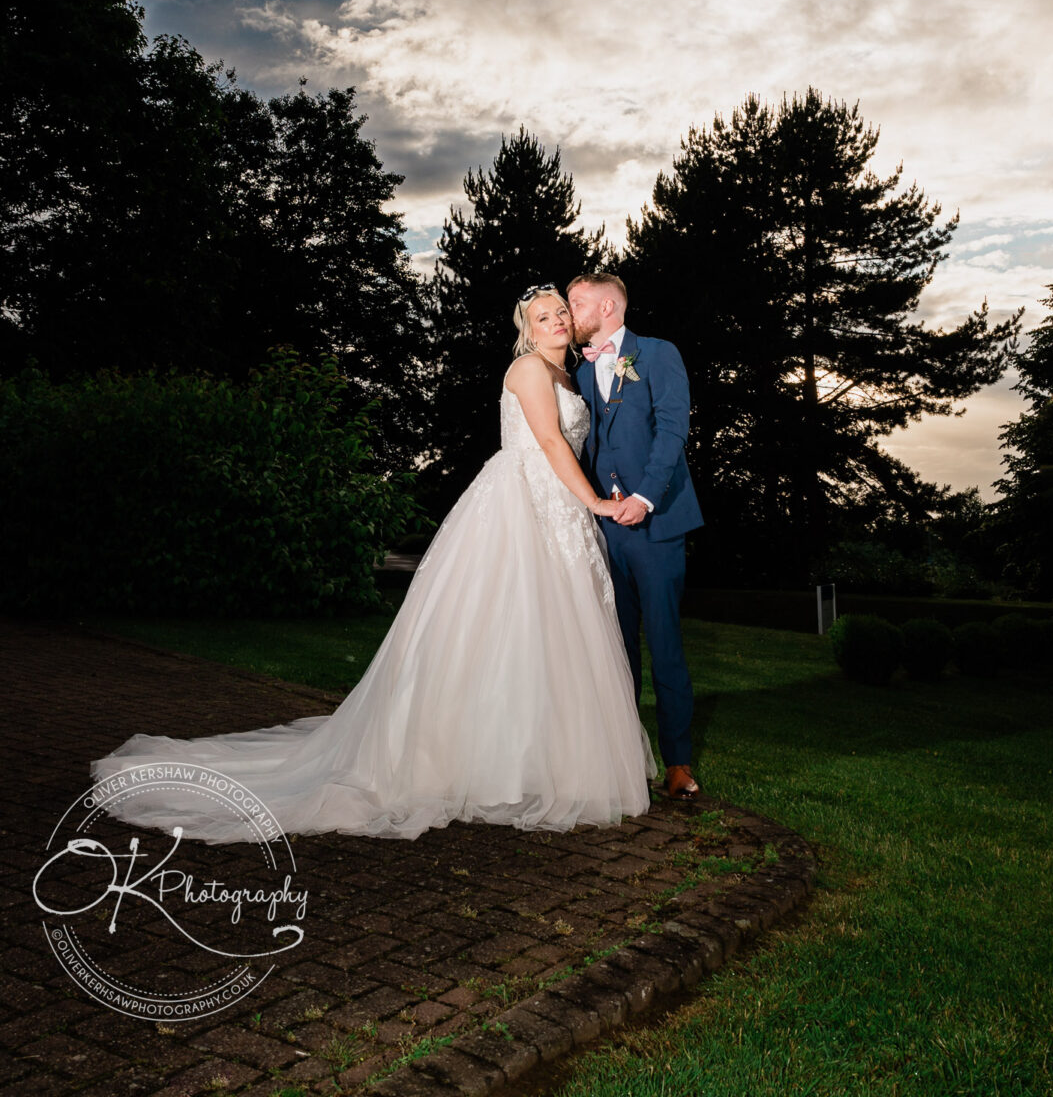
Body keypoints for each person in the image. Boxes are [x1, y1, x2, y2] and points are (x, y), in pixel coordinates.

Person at [89, 288, 656, 843]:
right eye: (542, 316)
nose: (556, 319)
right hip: (521, 507)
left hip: (556, 511)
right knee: (501, 628)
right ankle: (478, 763)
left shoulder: (568, 377)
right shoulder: (531, 371)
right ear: (526, 331)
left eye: (561, 311)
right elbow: (553, 445)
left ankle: (537, 760)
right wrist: (598, 504)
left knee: (549, 638)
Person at [566, 273, 703, 800]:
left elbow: (672, 429)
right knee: (616, 647)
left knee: (663, 643)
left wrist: (644, 497)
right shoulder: (579, 369)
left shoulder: (658, 353)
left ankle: (677, 762)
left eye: (577, 302)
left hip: (657, 524)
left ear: (608, 305)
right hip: (603, 529)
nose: (570, 312)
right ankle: (625, 757)